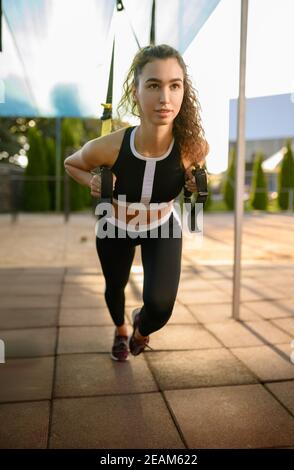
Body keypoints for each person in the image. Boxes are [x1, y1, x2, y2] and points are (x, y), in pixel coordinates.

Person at [64, 44, 209, 362]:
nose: (165, 98)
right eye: (154, 85)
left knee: (161, 306)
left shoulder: (193, 147)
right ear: (136, 91)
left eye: (175, 85)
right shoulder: (108, 146)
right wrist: (93, 182)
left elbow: (196, 199)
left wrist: (192, 186)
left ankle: (140, 328)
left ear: (185, 90)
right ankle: (120, 330)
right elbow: (70, 164)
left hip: (161, 225)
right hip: (114, 223)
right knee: (114, 287)